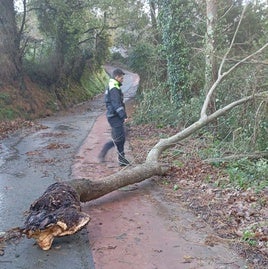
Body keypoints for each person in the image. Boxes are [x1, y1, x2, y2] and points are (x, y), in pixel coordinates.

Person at [98, 68, 130, 166]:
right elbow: (116, 103)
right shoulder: (114, 87)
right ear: (117, 76)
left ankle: (121, 159)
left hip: (114, 115)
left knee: (121, 136)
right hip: (114, 116)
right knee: (119, 138)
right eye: (121, 77)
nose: (122, 79)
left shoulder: (114, 85)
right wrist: (123, 116)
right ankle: (105, 154)